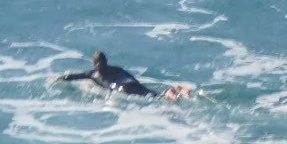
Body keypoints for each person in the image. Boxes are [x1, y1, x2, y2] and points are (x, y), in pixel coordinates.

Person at [56, 51, 189, 99]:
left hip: (122, 89)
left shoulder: (92, 73)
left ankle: (172, 94)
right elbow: (131, 77)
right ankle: (176, 91)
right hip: (131, 83)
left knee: (156, 99)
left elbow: (72, 77)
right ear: (106, 61)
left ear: (94, 63)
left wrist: (58, 78)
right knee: (154, 95)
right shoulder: (116, 68)